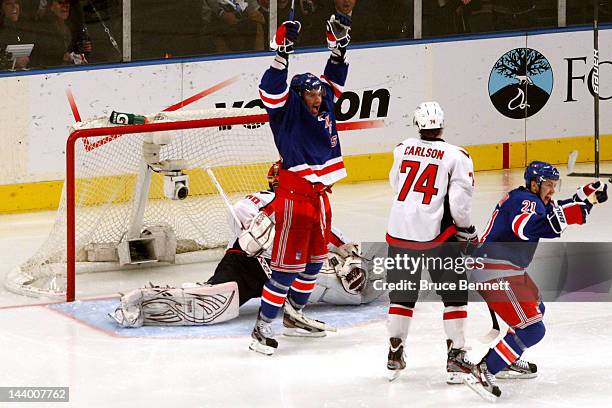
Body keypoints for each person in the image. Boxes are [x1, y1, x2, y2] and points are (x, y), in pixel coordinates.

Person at [109, 164, 383, 333]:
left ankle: (410, 272)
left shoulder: (311, 207)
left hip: (285, 269)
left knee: (355, 285)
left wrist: (347, 255)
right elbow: (244, 224)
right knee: (213, 305)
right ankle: (145, 300)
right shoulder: (260, 200)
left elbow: (332, 241)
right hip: (246, 264)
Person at [248, 12, 351, 355]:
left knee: (315, 261)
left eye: (318, 93)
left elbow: (334, 81)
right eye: (310, 94)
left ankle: (294, 314)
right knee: (286, 267)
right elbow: (270, 89)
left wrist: (338, 52)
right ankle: (262, 328)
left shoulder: (325, 105)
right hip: (294, 196)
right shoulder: (285, 110)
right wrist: (282, 54)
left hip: (319, 197)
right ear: (298, 96)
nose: (318, 98)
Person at [464, 161, 608, 401]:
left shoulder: (532, 198)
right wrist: (582, 207)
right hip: (494, 271)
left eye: (554, 184)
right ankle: (485, 369)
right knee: (532, 329)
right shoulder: (526, 201)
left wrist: (584, 197)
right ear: (534, 184)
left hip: (506, 269)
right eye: (548, 185)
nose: (552, 190)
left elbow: (555, 210)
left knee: (536, 310)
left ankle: (506, 357)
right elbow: (526, 227)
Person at [384, 101, 478, 382]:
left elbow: (395, 183)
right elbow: (459, 203)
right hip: (437, 237)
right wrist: (467, 231)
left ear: (417, 124)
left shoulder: (402, 149)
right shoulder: (456, 155)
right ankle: (456, 356)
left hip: (399, 231)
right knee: (454, 295)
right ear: (442, 124)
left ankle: (394, 351)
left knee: (402, 295)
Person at [30, 0, 91, 67]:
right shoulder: (43, 29)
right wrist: (62, 58)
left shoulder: (72, 27)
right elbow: (40, 58)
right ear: (51, 7)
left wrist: (82, 49)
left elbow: (73, 49)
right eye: (60, 2)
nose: (65, 6)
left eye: (67, 2)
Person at [0, 0, 34, 69]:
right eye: (9, 4)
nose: (14, 6)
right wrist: (11, 63)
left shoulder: (25, 28)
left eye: (16, 3)